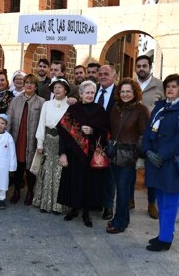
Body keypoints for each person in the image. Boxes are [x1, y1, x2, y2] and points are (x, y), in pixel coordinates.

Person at [142, 74, 179, 251]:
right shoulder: (160, 106)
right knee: (161, 200)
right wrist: (148, 151)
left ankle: (166, 240)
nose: (170, 89)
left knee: (170, 203)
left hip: (172, 162)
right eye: (168, 86)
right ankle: (162, 235)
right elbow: (148, 131)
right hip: (155, 161)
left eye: (174, 86)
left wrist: (162, 155)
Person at [57, 80, 109, 228]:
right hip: (73, 154)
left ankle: (86, 212)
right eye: (87, 92)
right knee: (74, 181)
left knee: (89, 183)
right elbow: (63, 132)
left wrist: (93, 131)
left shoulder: (99, 110)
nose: (90, 95)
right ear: (80, 94)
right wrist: (62, 153)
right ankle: (74, 209)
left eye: (92, 92)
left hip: (91, 155)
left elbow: (105, 132)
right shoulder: (73, 109)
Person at [106, 78, 150, 234]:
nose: (125, 94)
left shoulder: (141, 109)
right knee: (119, 188)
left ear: (135, 92)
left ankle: (119, 222)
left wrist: (136, 154)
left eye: (128, 91)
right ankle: (123, 219)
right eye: (122, 91)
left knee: (124, 191)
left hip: (128, 156)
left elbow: (145, 135)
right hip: (113, 154)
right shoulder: (116, 108)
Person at [32, 77, 70, 214]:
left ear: (66, 90)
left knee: (60, 172)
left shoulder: (70, 106)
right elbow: (41, 123)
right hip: (48, 140)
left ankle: (58, 205)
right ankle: (44, 203)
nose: (57, 90)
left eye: (60, 87)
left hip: (62, 142)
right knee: (47, 171)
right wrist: (40, 142)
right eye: (55, 88)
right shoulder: (47, 104)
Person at [134, 55, 164, 218]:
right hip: (132, 133)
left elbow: (164, 109)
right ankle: (129, 199)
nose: (141, 69)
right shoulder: (130, 84)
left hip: (152, 135)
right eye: (138, 66)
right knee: (129, 167)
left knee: (151, 169)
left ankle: (152, 203)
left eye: (144, 66)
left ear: (150, 67)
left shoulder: (159, 85)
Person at [7, 74, 44, 205]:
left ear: (35, 86)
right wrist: (6, 137)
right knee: (18, 165)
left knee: (31, 167)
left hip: (32, 139)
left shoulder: (41, 102)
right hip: (17, 137)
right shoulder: (15, 100)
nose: (29, 85)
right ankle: (16, 190)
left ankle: (30, 192)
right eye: (27, 82)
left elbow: (43, 122)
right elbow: (9, 118)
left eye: (32, 83)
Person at [94, 64, 117, 220]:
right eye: (100, 73)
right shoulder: (92, 90)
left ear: (114, 76)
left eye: (106, 73)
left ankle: (108, 206)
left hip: (110, 140)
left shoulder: (119, 94)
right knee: (93, 172)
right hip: (92, 138)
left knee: (109, 175)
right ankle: (95, 202)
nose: (102, 76)